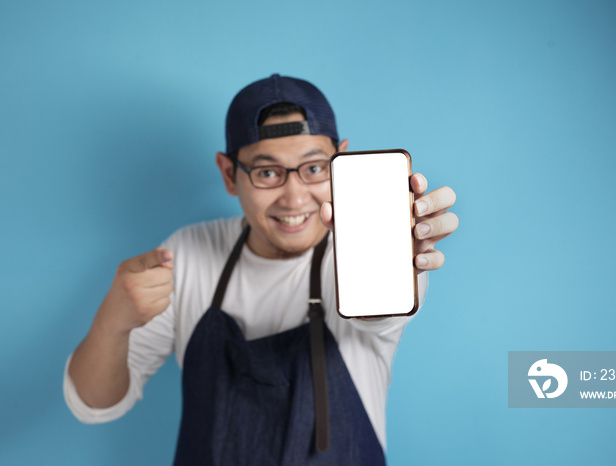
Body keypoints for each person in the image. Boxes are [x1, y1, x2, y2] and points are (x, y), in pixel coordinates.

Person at [64, 74, 458, 465]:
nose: (295, 197)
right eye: (267, 172)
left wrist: (395, 256)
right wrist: (112, 320)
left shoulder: (355, 256)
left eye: (315, 168)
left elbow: (381, 316)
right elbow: (95, 405)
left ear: (340, 160)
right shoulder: (186, 254)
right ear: (228, 174)